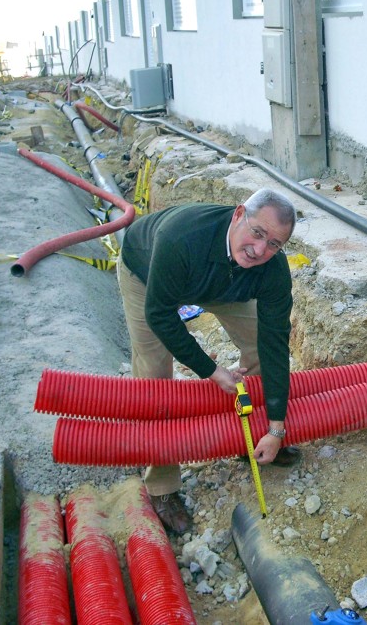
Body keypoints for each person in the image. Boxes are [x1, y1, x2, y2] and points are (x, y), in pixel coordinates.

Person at [117, 188, 299, 534]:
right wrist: (211, 371)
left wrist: (277, 427)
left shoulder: (270, 268)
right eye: (257, 233)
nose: (260, 249)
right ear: (238, 214)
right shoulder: (181, 237)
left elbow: (275, 343)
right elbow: (160, 315)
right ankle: (162, 487)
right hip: (148, 274)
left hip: (228, 282)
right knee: (154, 376)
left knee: (261, 347)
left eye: (274, 244)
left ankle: (254, 441)